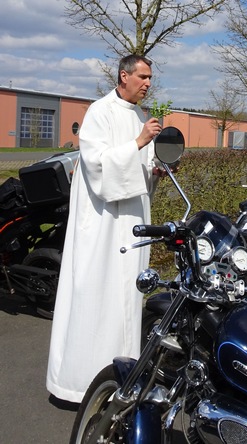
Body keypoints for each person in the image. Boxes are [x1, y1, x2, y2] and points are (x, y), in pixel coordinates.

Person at [47, 55, 163, 403]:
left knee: (126, 297)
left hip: (129, 224)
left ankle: (122, 378)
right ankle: (80, 382)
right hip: (101, 227)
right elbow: (97, 167)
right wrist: (139, 143)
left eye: (150, 78)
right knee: (96, 297)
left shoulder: (139, 116)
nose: (147, 83)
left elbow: (137, 168)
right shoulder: (99, 111)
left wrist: (151, 172)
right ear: (123, 75)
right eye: (142, 76)